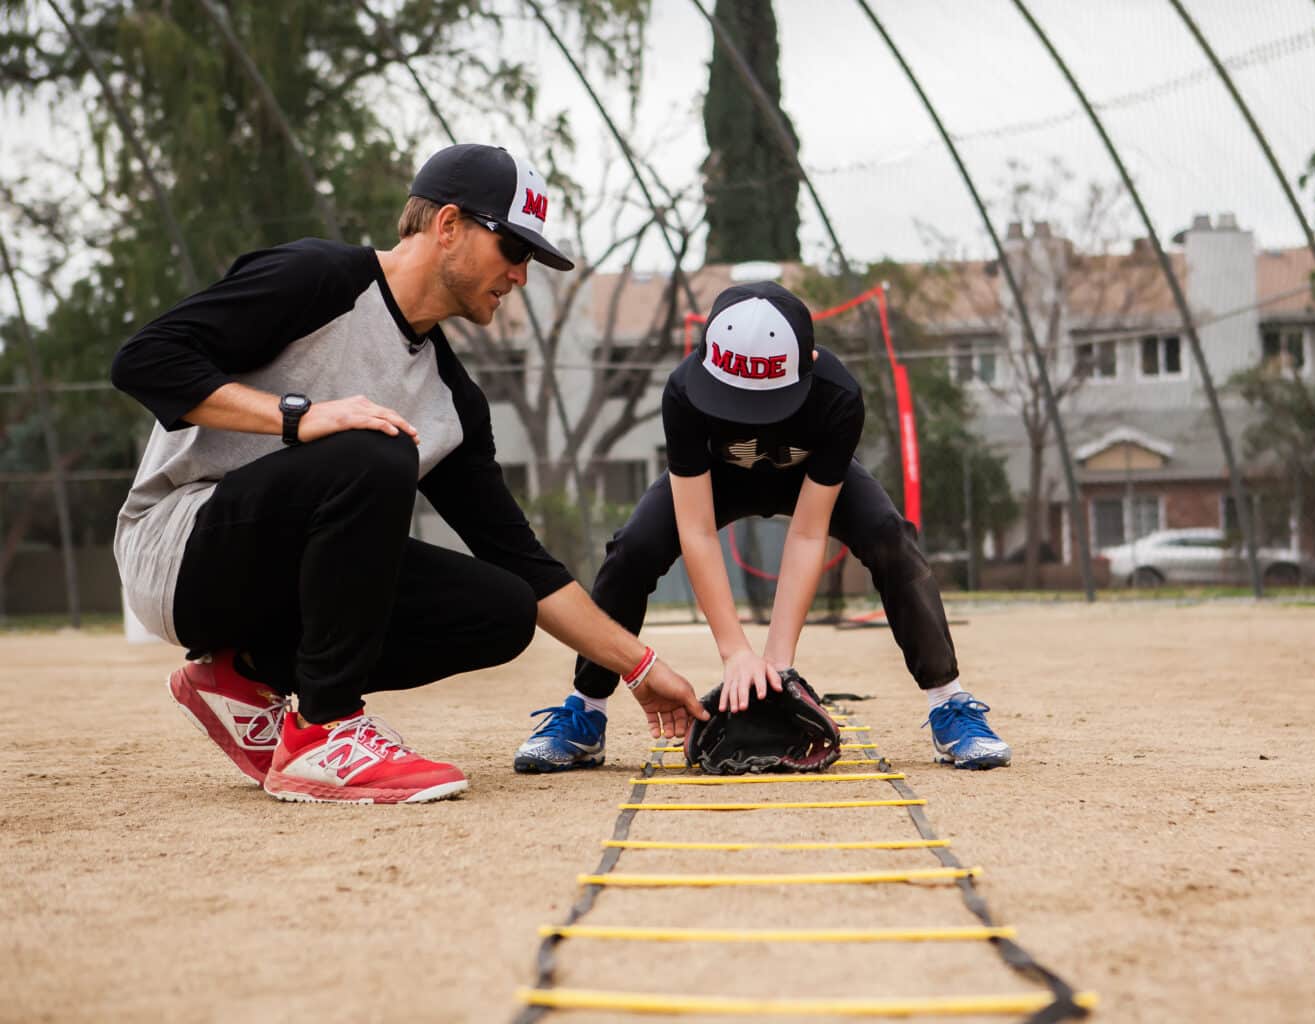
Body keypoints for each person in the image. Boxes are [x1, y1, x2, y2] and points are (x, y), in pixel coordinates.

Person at [111, 143, 707, 805]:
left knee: (502, 608)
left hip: (268, 584)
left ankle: (243, 675)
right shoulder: (320, 278)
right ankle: (324, 731)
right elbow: (145, 360)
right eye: (513, 249)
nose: (521, 276)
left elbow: (527, 564)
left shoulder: (450, 402)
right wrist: (295, 416)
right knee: (377, 445)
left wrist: (641, 668)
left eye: (531, 259)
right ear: (448, 225)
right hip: (176, 547)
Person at [514, 281, 1010, 772]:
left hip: (806, 480)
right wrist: (735, 653)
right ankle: (586, 710)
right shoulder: (684, 391)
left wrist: (776, 662)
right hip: (718, 479)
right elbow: (698, 531)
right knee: (634, 547)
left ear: (808, 365)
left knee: (890, 537)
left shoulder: (838, 397)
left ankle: (948, 700)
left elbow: (809, 531)